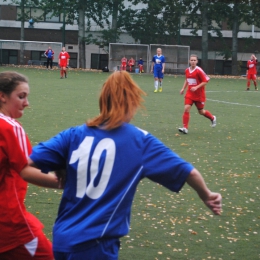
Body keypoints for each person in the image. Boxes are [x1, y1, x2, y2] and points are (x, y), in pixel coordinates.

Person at [20, 71, 222, 260]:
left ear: (103, 101)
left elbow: (25, 165)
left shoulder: (73, 135)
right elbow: (189, 172)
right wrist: (207, 195)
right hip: (96, 244)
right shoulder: (141, 141)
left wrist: (60, 176)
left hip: (62, 241)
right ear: (132, 102)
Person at [0, 71, 58, 260]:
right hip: (10, 224)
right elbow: (27, 170)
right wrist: (68, 182)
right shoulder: (10, 127)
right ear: (2, 96)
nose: (27, 103)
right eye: (21, 96)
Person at [179, 54, 216, 134]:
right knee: (186, 108)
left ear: (197, 61)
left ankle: (212, 118)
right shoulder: (187, 70)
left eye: (194, 60)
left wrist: (196, 87)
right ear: (189, 61)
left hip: (199, 95)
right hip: (190, 94)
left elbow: (206, 81)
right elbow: (187, 79)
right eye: (191, 60)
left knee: (201, 112)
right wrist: (183, 88)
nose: (193, 62)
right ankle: (185, 128)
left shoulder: (199, 70)